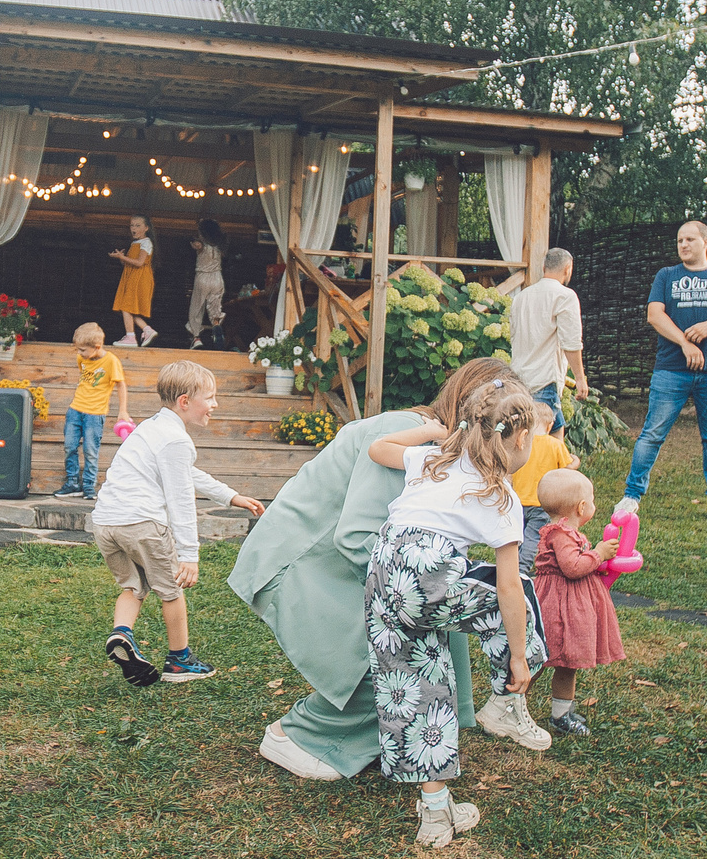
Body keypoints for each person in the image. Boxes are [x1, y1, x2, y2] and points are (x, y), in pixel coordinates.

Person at [235, 357, 543, 781]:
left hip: (341, 564)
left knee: (422, 625)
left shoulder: (446, 450)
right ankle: (298, 736)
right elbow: (357, 538)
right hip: (299, 565)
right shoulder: (413, 437)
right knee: (399, 655)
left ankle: (413, 737)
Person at [360, 378, 548, 845]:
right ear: (520, 438)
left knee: (414, 684)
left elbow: (377, 448)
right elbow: (506, 587)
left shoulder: (430, 460)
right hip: (429, 573)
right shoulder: (500, 495)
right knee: (520, 593)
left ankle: (436, 814)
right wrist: (520, 657)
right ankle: (506, 699)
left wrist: (428, 432)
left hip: (385, 575)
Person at [92, 359, 265, 685]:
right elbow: (181, 499)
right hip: (142, 524)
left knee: (134, 585)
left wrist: (230, 496)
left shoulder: (152, 427)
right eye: (210, 397)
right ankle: (179, 661)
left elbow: (186, 472)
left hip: (105, 524)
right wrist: (188, 554)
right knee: (170, 590)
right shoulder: (175, 440)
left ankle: (122, 634)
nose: (215, 404)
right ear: (185, 401)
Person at [616, 220, 707, 526]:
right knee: (652, 434)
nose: (683, 245)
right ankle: (631, 496)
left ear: (706, 241)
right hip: (671, 369)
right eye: (680, 240)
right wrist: (684, 343)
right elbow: (655, 314)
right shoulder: (667, 276)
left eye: (690, 239)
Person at [530, 468, 626, 738]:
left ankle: (562, 713)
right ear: (582, 506)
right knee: (541, 659)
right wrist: (597, 554)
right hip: (558, 607)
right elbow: (572, 568)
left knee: (568, 661)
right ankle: (511, 704)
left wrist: (598, 561)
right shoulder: (561, 534)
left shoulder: (568, 533)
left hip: (569, 605)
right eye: (593, 499)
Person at [507, 247, 590, 418]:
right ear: (568, 269)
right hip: (545, 382)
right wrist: (580, 379)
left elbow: (513, 336)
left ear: (544, 267)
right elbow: (571, 342)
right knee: (544, 440)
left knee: (545, 436)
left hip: (518, 380)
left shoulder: (520, 297)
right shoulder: (565, 296)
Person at [507, 397, 578, 581]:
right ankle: (521, 570)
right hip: (542, 502)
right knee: (532, 538)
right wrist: (576, 462)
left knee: (517, 535)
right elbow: (567, 469)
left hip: (518, 499)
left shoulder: (520, 443)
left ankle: (509, 565)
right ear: (550, 425)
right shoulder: (555, 445)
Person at [59, 322, 128, 498]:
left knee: (90, 449)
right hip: (75, 409)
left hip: (95, 414)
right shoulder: (82, 359)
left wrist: (123, 411)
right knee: (69, 446)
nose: (79, 354)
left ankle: (89, 485)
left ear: (97, 347)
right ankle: (72, 482)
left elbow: (121, 385)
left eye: (82, 350)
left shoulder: (111, 361)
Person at [108, 215, 157, 347]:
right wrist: (121, 258)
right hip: (131, 277)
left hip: (139, 278)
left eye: (138, 225)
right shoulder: (134, 243)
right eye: (132, 225)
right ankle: (147, 330)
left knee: (126, 306)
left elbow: (140, 263)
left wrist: (122, 257)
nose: (133, 228)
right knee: (129, 308)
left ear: (146, 228)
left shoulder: (146, 242)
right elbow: (128, 264)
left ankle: (131, 337)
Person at [187, 217, 227, 349]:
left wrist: (194, 240)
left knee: (197, 307)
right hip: (217, 278)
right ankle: (216, 327)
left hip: (203, 277)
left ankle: (196, 337)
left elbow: (196, 244)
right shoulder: (219, 247)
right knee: (215, 306)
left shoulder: (201, 245)